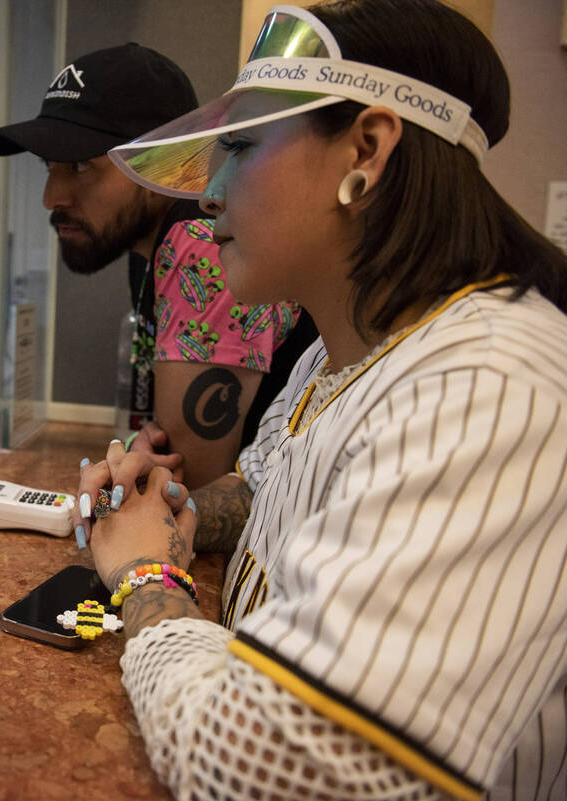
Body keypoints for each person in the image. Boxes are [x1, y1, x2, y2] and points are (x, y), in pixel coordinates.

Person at [76, 2, 567, 799]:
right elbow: (272, 480)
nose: (209, 196)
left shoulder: (490, 391)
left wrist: (144, 577)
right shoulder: (344, 352)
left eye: (237, 147)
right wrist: (176, 509)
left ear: (367, 149)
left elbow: (269, 769)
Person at [0, 44, 315, 488]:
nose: (51, 198)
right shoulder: (150, 249)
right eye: (49, 166)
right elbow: (158, 460)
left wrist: (110, 488)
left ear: (164, 164)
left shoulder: (199, 249)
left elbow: (180, 489)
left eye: (82, 166)